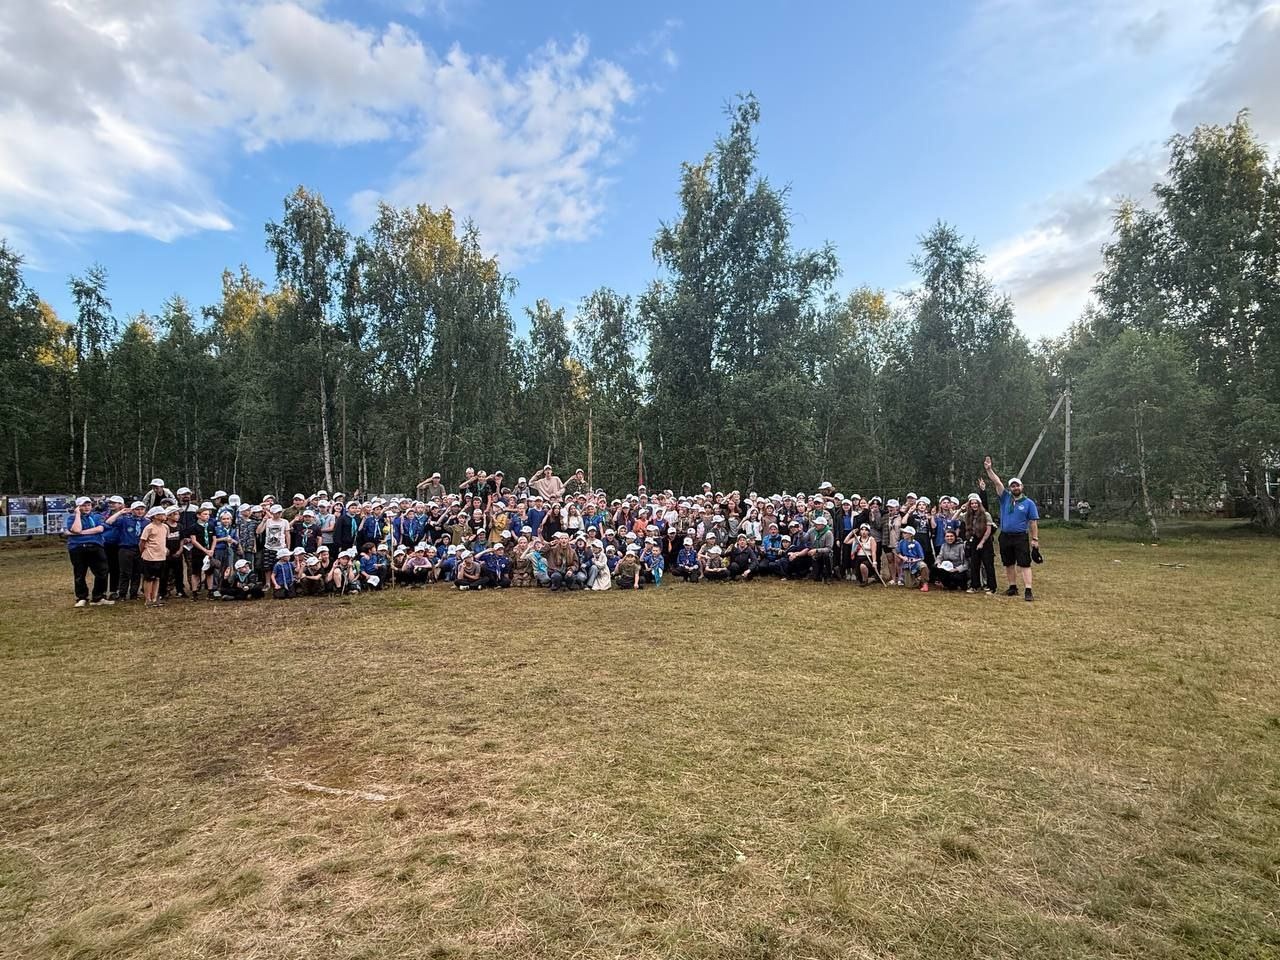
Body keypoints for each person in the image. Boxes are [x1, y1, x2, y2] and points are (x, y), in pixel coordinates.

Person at [984, 456, 1040, 602]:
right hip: (1005, 536)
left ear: (1022, 487)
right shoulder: (1005, 498)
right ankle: (1012, 587)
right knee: (1008, 563)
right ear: (1010, 488)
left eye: (1017, 486)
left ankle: (1028, 590)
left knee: (1024, 563)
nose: (1015, 488)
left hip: (1020, 536)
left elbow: (1033, 522)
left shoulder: (1029, 503)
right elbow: (997, 482)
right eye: (1013, 486)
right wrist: (989, 470)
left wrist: (1035, 539)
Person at [66, 496, 111, 606]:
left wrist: (80, 533)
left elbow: (99, 529)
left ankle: (98, 597)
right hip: (77, 547)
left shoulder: (97, 516)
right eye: (83, 505)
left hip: (95, 546)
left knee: (102, 571)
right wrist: (77, 514)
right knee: (80, 573)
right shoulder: (72, 518)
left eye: (88, 505)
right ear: (78, 507)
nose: (86, 507)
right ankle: (81, 597)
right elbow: (76, 529)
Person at [961, 492, 996, 594]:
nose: (974, 505)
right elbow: (954, 518)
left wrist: (982, 542)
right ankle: (975, 586)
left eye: (976, 503)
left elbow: (988, 530)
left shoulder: (986, 515)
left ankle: (992, 587)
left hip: (985, 541)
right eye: (972, 503)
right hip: (973, 540)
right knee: (974, 564)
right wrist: (961, 509)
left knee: (988, 564)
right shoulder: (968, 515)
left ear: (979, 504)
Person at [139, 507, 170, 607]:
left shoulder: (165, 527)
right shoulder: (149, 527)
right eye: (162, 514)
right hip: (150, 557)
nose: (165, 516)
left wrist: (164, 549)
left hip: (161, 556)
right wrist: (143, 552)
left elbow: (164, 540)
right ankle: (148, 599)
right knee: (149, 578)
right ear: (155, 516)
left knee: (157, 578)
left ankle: (155, 598)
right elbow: (142, 542)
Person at [896, 525, 930, 592]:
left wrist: (915, 560)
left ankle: (925, 583)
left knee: (923, 566)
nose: (903, 534)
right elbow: (898, 553)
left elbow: (921, 557)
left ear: (911, 535)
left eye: (905, 533)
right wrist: (903, 557)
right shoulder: (901, 542)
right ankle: (918, 579)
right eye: (903, 533)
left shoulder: (916, 544)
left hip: (916, 561)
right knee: (909, 585)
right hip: (906, 563)